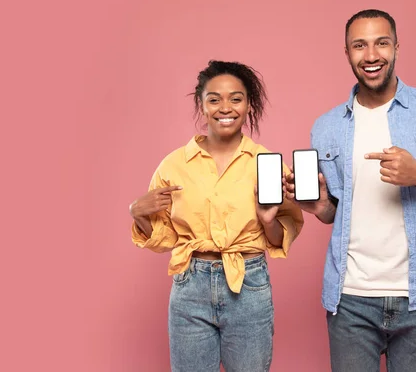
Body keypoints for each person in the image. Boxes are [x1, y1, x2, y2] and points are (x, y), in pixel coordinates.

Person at [285, 9, 416, 372]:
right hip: (350, 300)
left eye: (381, 43)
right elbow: (337, 212)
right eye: (359, 45)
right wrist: (317, 205)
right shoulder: (327, 127)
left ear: (396, 47)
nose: (371, 55)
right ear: (346, 53)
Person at [129, 60, 304, 372]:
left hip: (248, 285)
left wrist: (267, 220)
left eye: (236, 98)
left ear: (249, 105)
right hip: (190, 287)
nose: (226, 108)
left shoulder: (266, 163)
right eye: (214, 99)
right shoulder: (173, 165)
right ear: (202, 104)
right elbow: (165, 239)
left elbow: (281, 236)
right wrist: (138, 214)